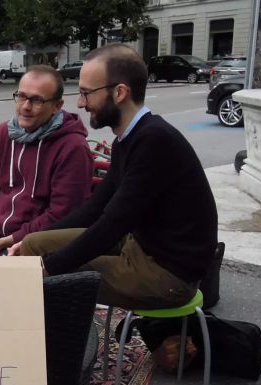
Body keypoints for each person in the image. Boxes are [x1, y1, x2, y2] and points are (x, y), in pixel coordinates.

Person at [17, 44, 218, 309]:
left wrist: (48, 268)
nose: (80, 103)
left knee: (45, 278)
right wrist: (21, 240)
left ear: (120, 92)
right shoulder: (130, 137)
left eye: (86, 93)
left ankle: (55, 345)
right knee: (32, 245)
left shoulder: (154, 141)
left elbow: (111, 225)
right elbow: (95, 207)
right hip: (140, 248)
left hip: (168, 275)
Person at [0, 65, 94, 256]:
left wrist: (4, 243)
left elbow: (60, 215)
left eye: (37, 100)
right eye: (21, 96)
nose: (25, 106)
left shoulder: (73, 147)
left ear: (57, 106)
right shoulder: (3, 134)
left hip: (40, 244)